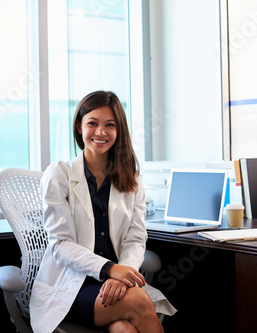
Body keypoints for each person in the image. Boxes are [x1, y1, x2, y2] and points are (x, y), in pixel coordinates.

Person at [30, 91, 175, 333]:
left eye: (110, 125)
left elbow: (136, 239)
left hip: (114, 286)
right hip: (70, 285)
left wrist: (121, 274)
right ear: (79, 126)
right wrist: (110, 269)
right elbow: (61, 245)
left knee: (124, 330)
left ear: (119, 131)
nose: (101, 132)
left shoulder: (132, 179)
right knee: (139, 301)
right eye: (92, 123)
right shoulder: (59, 174)